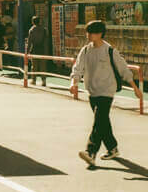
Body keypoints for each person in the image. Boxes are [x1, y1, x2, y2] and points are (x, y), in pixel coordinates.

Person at [69, 20, 141, 166]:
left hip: (107, 90)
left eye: (92, 32)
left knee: (99, 121)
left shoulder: (110, 51)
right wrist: (73, 83)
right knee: (103, 122)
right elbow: (78, 68)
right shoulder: (85, 50)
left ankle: (90, 152)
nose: (88, 35)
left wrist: (135, 88)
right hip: (92, 91)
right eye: (87, 32)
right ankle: (112, 148)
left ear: (100, 34)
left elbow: (123, 69)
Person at [27, 16, 53, 87]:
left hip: (34, 49)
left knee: (34, 66)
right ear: (39, 21)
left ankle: (33, 80)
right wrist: (46, 51)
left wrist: (27, 51)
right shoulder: (44, 30)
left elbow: (29, 42)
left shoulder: (31, 30)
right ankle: (43, 81)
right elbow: (46, 42)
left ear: (33, 22)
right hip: (42, 49)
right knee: (43, 66)